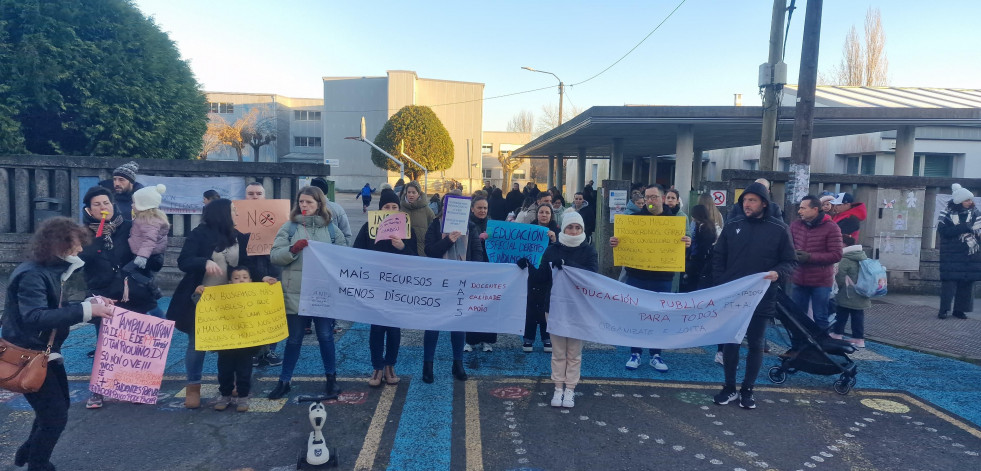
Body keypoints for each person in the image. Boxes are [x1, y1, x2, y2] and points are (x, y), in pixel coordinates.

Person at [3, 217, 114, 471]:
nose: (79, 250)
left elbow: (57, 306)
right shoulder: (33, 274)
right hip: (28, 354)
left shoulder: (47, 269)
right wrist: (88, 309)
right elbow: (35, 316)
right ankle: (38, 464)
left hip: (44, 352)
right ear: (58, 244)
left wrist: (93, 301)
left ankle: (30, 452)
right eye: (75, 244)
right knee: (54, 416)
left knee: (55, 410)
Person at [166, 199, 270, 409]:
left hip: (233, 304)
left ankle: (231, 385)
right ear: (222, 213)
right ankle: (193, 386)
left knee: (233, 346)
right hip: (203, 300)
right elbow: (184, 261)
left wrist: (263, 278)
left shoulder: (239, 236)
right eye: (233, 210)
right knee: (197, 345)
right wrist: (204, 262)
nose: (237, 213)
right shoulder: (199, 234)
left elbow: (247, 265)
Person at [711, 182, 797, 409]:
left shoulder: (779, 229)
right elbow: (718, 257)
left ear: (764, 203)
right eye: (744, 200)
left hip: (762, 297)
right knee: (732, 341)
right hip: (733, 297)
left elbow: (790, 261)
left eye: (752, 200)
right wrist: (721, 284)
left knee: (756, 344)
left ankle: (748, 389)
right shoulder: (733, 225)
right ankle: (729, 387)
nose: (747, 204)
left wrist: (778, 273)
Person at [78, 187, 163, 410]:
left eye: (105, 203)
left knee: (136, 344)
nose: (102, 207)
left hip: (133, 292)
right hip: (104, 296)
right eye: (96, 204)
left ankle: (135, 387)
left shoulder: (129, 226)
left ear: (112, 205)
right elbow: (80, 262)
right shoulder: (82, 233)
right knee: (104, 344)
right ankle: (98, 391)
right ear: (88, 209)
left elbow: (146, 252)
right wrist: (97, 237)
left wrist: (155, 256)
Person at [267, 186, 348, 399]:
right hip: (295, 293)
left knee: (325, 337)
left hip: (322, 294)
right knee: (293, 339)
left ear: (320, 204)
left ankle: (331, 380)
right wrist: (292, 250)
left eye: (309, 202)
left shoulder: (332, 230)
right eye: (301, 202)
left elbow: (344, 257)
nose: (304, 206)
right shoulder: (290, 227)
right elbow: (275, 256)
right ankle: (284, 381)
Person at [609, 184, 692, 372]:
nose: (650, 201)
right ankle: (635, 353)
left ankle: (656, 354)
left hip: (663, 276)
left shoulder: (674, 221)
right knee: (636, 314)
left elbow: (685, 243)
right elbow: (621, 241)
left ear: (663, 198)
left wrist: (688, 242)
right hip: (636, 274)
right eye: (647, 197)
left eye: (654, 197)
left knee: (659, 315)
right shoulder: (634, 219)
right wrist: (615, 242)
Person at [353, 189, 417, 387]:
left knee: (394, 328)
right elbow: (355, 254)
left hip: (397, 287)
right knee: (377, 327)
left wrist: (402, 247)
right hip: (375, 286)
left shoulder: (407, 230)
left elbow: (415, 258)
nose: (390, 210)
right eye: (386, 207)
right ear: (380, 209)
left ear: (399, 209)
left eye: (394, 207)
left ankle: (390, 365)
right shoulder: (368, 228)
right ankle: (377, 367)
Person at [422, 193, 486, 383]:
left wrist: (473, 276)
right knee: (433, 324)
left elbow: (477, 253)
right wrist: (448, 240)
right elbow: (430, 251)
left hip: (461, 281)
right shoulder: (435, 225)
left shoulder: (470, 227)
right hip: (438, 281)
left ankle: (458, 363)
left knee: (458, 323)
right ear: (444, 206)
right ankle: (428, 364)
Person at [539, 210, 598, 409]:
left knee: (574, 352)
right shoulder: (552, 249)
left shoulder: (589, 250)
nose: (573, 231)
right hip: (554, 307)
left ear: (582, 229)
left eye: (577, 227)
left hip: (578, 309)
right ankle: (557, 387)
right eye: (570, 227)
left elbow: (591, 277)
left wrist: (568, 264)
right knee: (558, 351)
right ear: (563, 228)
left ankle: (570, 388)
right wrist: (525, 266)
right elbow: (541, 277)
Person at [203, 266, 262, 412]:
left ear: (251, 281)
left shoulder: (257, 297)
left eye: (244, 277)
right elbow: (205, 305)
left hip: (246, 344)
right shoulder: (223, 298)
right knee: (224, 371)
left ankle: (243, 397)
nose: (241, 280)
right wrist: (200, 293)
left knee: (244, 371)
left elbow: (269, 303)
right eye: (236, 278)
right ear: (229, 282)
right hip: (226, 344)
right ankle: (225, 395)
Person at [242, 182, 285, 368]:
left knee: (272, 316)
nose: (254, 197)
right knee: (250, 317)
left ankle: (269, 351)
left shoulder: (277, 218)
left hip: (273, 274)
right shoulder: (237, 219)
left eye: (258, 193)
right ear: (245, 197)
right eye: (250, 193)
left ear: (264, 197)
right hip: (247, 276)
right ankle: (252, 352)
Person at [789, 195, 843, 331]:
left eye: (803, 208)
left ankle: (820, 348)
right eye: (799, 208)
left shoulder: (831, 227)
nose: (799, 211)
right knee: (797, 316)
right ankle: (797, 348)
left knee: (820, 317)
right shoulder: (795, 225)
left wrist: (809, 257)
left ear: (815, 209)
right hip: (798, 278)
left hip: (821, 281)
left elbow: (836, 255)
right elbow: (787, 246)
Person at [936, 183, 981, 320]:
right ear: (959, 201)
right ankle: (944, 310)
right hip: (951, 254)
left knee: (966, 284)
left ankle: (960, 310)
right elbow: (943, 232)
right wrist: (963, 228)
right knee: (949, 284)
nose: (970, 202)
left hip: (970, 254)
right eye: (967, 200)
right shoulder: (947, 214)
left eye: (970, 200)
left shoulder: (976, 213)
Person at [523, 202, 560, 352]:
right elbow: (522, 248)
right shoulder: (529, 230)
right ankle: (528, 339)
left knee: (548, 307)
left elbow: (562, 251)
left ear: (551, 215)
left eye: (547, 212)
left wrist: (554, 240)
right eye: (541, 212)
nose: (544, 215)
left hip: (549, 275)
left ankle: (547, 338)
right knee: (529, 307)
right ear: (537, 214)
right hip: (531, 272)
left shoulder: (557, 231)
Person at [125, 184, 170, 303]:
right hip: (152, 255)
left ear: (143, 205)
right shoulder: (149, 218)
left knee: (127, 270)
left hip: (148, 256)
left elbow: (149, 240)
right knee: (144, 274)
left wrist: (142, 257)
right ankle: (150, 294)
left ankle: (152, 287)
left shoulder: (148, 221)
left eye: (134, 203)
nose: (132, 205)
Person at [464, 197, 496, 352]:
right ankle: (470, 340)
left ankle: (487, 340)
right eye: (479, 208)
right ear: (472, 209)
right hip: (472, 269)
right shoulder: (466, 225)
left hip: (490, 269)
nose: (483, 211)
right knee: (472, 304)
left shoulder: (493, 225)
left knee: (489, 304)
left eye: (485, 208)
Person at [831, 235, 871, 347]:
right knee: (858, 315)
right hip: (861, 292)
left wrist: (837, 287)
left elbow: (839, 276)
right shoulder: (862, 257)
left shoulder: (845, 259)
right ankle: (859, 338)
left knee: (841, 313)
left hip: (847, 293)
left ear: (844, 244)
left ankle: (837, 333)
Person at [311, 177, 353, 242]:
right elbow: (347, 234)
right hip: (334, 248)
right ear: (326, 191)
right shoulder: (337, 208)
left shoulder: (304, 208)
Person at [400, 181, 436, 256]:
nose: (411, 195)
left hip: (421, 251)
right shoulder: (400, 208)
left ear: (419, 194)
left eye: (414, 192)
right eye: (409, 192)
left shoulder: (427, 210)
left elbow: (434, 228)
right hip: (403, 251)